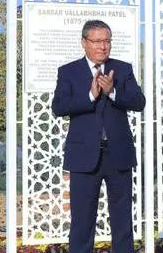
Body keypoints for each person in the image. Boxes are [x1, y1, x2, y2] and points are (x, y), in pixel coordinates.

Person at [52, 20, 146, 253]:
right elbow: (59, 107)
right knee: (82, 223)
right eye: (97, 41)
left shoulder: (122, 69)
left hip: (119, 156)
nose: (103, 46)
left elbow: (139, 102)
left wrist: (113, 92)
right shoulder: (68, 71)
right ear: (84, 42)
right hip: (83, 157)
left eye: (107, 41)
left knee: (122, 222)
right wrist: (90, 96)